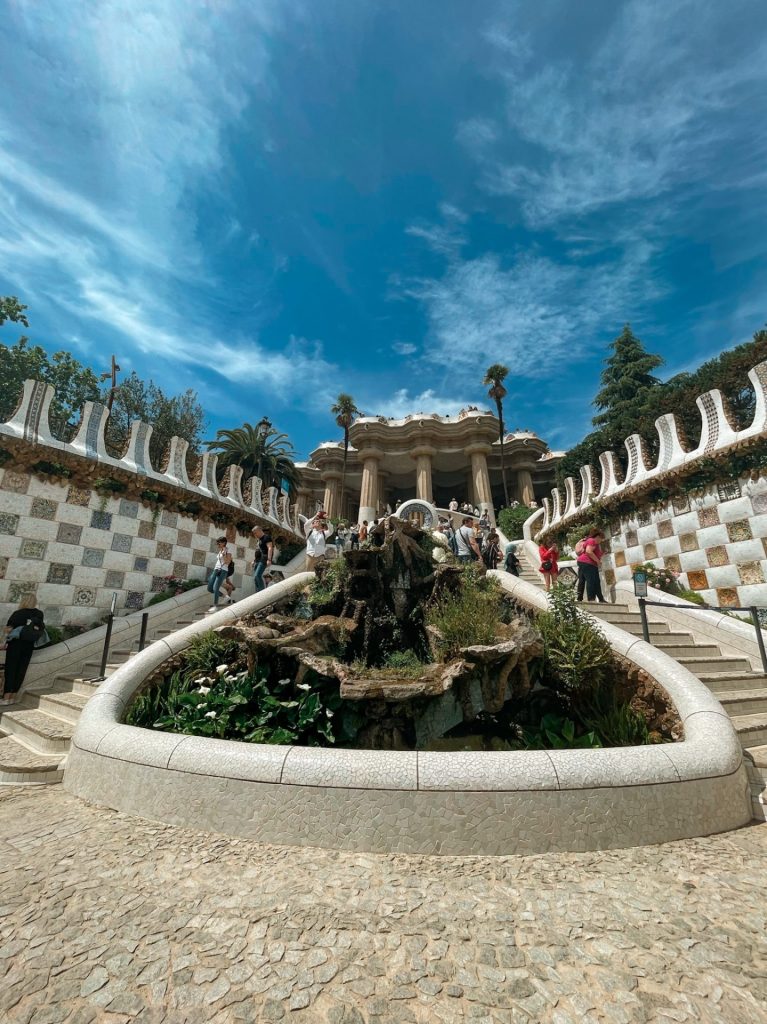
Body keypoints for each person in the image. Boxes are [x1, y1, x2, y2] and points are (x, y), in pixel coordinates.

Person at [2, 595, 46, 704]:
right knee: (21, 670)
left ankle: (6, 698)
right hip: (29, 645)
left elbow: (8, 629)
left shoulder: (18, 613)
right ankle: (13, 697)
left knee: (11, 670)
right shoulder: (39, 614)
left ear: (23, 601)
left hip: (16, 644)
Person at [577, 528, 607, 603]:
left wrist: (602, 554)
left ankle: (600, 599)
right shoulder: (592, 540)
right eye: (601, 538)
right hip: (587, 563)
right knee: (591, 581)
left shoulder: (593, 542)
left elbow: (593, 552)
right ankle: (591, 599)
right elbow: (588, 551)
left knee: (594, 581)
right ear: (597, 537)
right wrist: (598, 561)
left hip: (585, 562)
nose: (601, 540)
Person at [207, 537, 232, 611]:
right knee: (210, 588)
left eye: (219, 542)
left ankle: (215, 606)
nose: (217, 544)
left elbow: (227, 562)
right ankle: (225, 596)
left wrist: (224, 553)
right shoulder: (220, 550)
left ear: (224, 543)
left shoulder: (228, 550)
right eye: (217, 542)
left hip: (222, 570)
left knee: (215, 588)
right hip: (216, 570)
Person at [251, 525, 274, 593]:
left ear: (259, 530)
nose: (255, 535)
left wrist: (269, 559)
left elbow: (270, 548)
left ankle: (262, 593)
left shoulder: (266, 537)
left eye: (255, 533)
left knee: (257, 575)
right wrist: (254, 560)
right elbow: (258, 551)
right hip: (258, 559)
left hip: (264, 558)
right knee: (255, 578)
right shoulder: (259, 540)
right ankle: (257, 593)